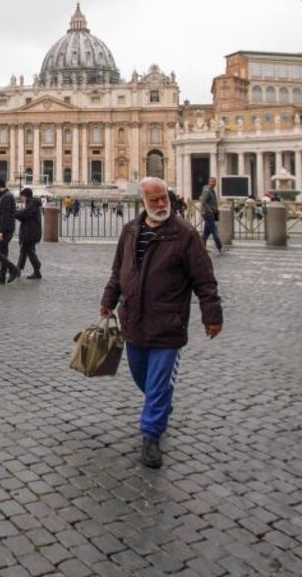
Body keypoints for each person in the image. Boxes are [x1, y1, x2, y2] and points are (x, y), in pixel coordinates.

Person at [100, 176, 222, 469]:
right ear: (143, 201)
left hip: (169, 321)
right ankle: (161, 403)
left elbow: (204, 278)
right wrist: (108, 300)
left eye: (164, 198)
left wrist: (212, 314)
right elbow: (118, 270)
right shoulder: (130, 231)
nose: (161, 204)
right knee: (140, 374)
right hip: (134, 318)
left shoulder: (185, 234)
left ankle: (151, 435)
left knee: (157, 381)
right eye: (154, 199)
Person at [0, 177, 20, 284]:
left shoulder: (6, 197)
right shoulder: (6, 196)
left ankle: (13, 269)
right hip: (7, 229)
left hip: (4, 229)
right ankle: (2, 275)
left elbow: (5, 215)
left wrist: (0, 231)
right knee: (3, 252)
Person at [14, 187, 43, 279]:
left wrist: (14, 213)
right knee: (25, 250)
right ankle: (35, 272)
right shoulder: (31, 204)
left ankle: (36, 265)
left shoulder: (32, 204)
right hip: (30, 231)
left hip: (30, 232)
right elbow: (25, 216)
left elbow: (25, 214)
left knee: (28, 250)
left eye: (22, 196)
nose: (21, 198)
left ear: (26, 196)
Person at [199, 176, 223, 254]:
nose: (213, 183)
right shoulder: (207, 191)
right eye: (211, 182)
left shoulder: (211, 191)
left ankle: (202, 248)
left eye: (214, 182)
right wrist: (210, 210)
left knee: (206, 232)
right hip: (208, 214)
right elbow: (203, 201)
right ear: (209, 182)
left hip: (209, 213)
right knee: (214, 231)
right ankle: (220, 247)